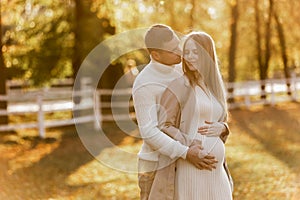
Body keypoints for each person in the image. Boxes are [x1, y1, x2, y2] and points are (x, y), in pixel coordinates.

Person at [132, 25, 219, 200]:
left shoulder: (182, 69)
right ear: (156, 55)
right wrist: (186, 152)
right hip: (155, 165)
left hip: (185, 160)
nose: (180, 52)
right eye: (173, 50)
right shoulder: (144, 83)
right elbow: (149, 133)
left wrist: (222, 128)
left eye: (178, 45)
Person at [153, 31, 233, 199]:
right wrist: (189, 148)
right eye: (187, 52)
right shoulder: (179, 85)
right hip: (191, 167)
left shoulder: (214, 86)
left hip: (217, 171)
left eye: (195, 52)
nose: (189, 57)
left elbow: (218, 120)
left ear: (207, 54)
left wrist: (224, 128)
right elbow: (164, 126)